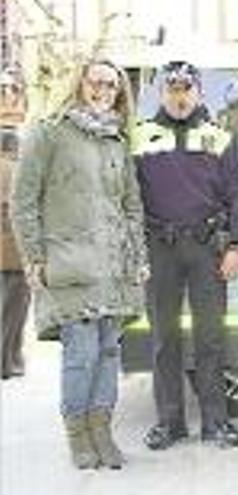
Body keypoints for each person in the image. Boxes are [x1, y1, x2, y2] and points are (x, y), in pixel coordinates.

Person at [11, 59, 146, 469]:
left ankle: (103, 431)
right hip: (70, 263)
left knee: (108, 353)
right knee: (81, 353)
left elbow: (131, 205)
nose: (104, 90)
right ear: (79, 83)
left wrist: (138, 255)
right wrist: (34, 255)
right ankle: (78, 436)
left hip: (113, 265)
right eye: (97, 81)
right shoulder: (50, 132)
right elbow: (23, 200)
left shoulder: (118, 141)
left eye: (113, 84)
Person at [132, 61, 238, 450]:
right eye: (172, 89)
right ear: (162, 93)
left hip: (206, 248)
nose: (180, 96)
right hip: (158, 248)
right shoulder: (140, 137)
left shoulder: (220, 137)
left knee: (210, 339)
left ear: (198, 92)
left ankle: (216, 421)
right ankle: (170, 422)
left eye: (186, 88)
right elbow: (125, 198)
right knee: (164, 339)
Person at [0, 68, 29, 379]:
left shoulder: (25, 138)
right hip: (11, 233)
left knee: (16, 300)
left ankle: (11, 357)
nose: (9, 96)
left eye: (13, 91)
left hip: (16, 238)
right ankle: (7, 359)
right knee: (12, 300)